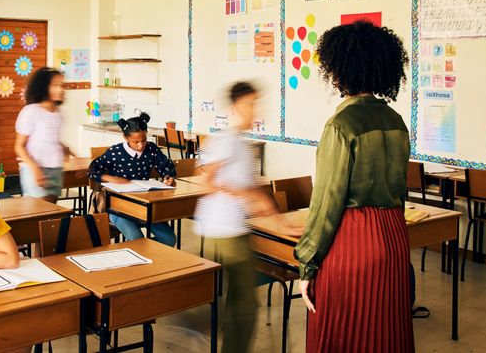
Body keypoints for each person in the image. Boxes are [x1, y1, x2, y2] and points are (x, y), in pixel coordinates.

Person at [294, 21, 413, 352]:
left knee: (342, 330)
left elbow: (326, 203)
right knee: (384, 332)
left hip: (353, 241)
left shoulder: (341, 125)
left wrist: (307, 263)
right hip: (393, 237)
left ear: (338, 72)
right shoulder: (396, 122)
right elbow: (400, 189)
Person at [196, 82, 280, 353]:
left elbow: (249, 187)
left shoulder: (242, 144)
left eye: (256, 104)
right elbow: (207, 181)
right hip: (224, 231)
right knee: (244, 303)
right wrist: (245, 193)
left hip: (235, 228)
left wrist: (266, 205)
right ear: (234, 108)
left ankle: (213, 333)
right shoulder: (227, 140)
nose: (253, 110)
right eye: (248, 105)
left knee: (239, 301)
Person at [88, 112, 177, 246]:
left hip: (144, 204)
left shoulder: (151, 149)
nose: (141, 145)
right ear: (125, 137)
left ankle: (148, 255)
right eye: (135, 142)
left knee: (169, 239)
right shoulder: (115, 152)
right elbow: (92, 170)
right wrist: (110, 178)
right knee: (136, 240)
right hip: (118, 207)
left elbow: (166, 165)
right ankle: (139, 254)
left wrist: (168, 177)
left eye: (144, 140)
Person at [14, 67, 72, 203]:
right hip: (35, 170)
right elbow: (19, 147)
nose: (61, 89)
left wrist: (67, 151)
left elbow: (50, 140)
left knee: (50, 217)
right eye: (56, 85)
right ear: (43, 87)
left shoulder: (58, 112)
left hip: (55, 169)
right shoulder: (31, 111)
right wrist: (35, 169)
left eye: (62, 85)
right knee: (38, 214)